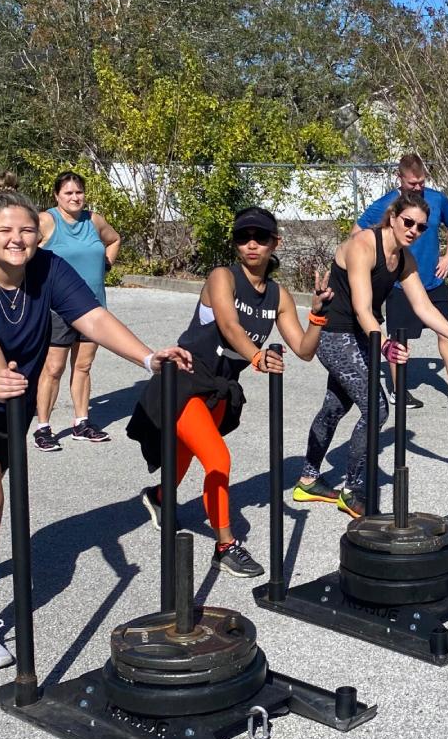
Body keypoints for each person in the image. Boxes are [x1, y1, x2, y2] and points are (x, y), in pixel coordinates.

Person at [0, 191, 191, 669]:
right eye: (5, 230)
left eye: (25, 231)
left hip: (8, 401)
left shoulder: (49, 269)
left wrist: (147, 357)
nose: (17, 239)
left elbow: (94, 318)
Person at [129, 207, 330, 577]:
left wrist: (318, 315)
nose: (251, 245)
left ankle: (158, 497)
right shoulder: (222, 277)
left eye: (260, 238)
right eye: (243, 237)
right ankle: (225, 546)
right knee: (218, 459)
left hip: (220, 390)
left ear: (275, 243)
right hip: (185, 381)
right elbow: (228, 323)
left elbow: (304, 349)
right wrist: (257, 357)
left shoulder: (278, 295)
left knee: (186, 456)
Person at [294, 192, 448, 517]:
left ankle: (308, 479)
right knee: (377, 408)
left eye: (421, 227)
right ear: (393, 216)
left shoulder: (405, 259)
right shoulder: (363, 246)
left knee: (335, 406)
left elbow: (422, 306)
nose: (413, 230)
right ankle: (352, 490)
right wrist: (384, 345)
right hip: (334, 332)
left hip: (360, 335)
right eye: (408, 222)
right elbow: (363, 308)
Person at [355, 153, 448, 407]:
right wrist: (376, 263)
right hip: (401, 283)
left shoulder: (436, 199)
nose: (418, 187)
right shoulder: (388, 204)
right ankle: (399, 390)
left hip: (432, 280)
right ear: (400, 179)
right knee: (400, 338)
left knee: (445, 328)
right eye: (412, 184)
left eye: (421, 182)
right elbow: (358, 231)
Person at [33, 171, 121, 451]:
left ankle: (81, 422)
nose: (75, 197)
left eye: (79, 192)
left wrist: (106, 263)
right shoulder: (46, 221)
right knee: (54, 367)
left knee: (83, 366)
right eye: (68, 193)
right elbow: (22, 249)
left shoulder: (93, 220)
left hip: (93, 307)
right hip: (58, 308)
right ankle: (43, 427)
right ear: (57, 196)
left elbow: (114, 239)